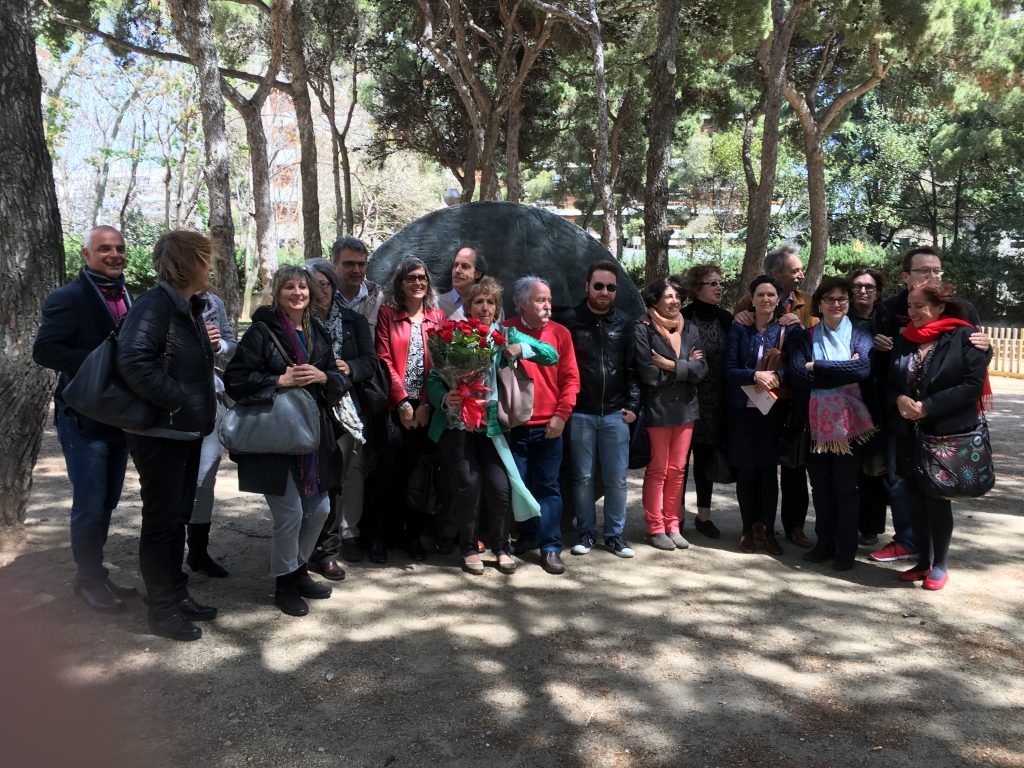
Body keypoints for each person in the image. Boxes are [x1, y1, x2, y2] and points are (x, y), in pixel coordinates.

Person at [223, 265, 346, 616]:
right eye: (289, 287)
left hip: (312, 436)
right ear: (277, 292)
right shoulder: (261, 332)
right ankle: (284, 585)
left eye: (303, 287)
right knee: (290, 513)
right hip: (274, 437)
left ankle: (297, 570)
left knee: (319, 510)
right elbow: (235, 380)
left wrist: (323, 376)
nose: (297, 293)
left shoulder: (317, 331)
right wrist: (279, 380)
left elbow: (339, 381)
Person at [116, 230, 217, 641]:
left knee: (176, 519)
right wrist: (177, 401)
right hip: (161, 435)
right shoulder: (154, 305)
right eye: (206, 258)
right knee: (161, 523)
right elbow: (133, 360)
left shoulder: (187, 306)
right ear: (190, 262)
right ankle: (160, 610)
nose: (211, 266)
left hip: (184, 432)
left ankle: (176, 594)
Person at [33, 226, 138, 613]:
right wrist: (99, 363)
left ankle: (94, 572)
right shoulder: (68, 297)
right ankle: (89, 578)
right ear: (86, 254)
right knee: (90, 503)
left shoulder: (129, 296)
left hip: (119, 415)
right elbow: (45, 350)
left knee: (108, 500)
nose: (114, 255)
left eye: (120, 248)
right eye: (105, 248)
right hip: (83, 417)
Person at [426, 278, 558, 574]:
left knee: (500, 487)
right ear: (468, 307)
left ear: (497, 308)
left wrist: (521, 349)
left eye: (490, 302)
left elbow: (551, 355)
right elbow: (434, 378)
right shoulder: (454, 334)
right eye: (478, 302)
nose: (484, 307)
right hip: (456, 423)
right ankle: (468, 548)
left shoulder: (506, 334)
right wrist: (444, 397)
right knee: (469, 484)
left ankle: (502, 547)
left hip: (492, 427)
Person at [870, 246, 990, 564]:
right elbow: (885, 369)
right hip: (901, 418)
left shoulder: (962, 314)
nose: (932, 275)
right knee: (901, 484)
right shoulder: (891, 311)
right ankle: (909, 544)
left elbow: (974, 368)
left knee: (936, 492)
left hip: (943, 423)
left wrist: (986, 346)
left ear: (940, 306)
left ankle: (937, 562)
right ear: (905, 276)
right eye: (924, 270)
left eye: (937, 270)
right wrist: (897, 398)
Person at [785, 277, 877, 571]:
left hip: (851, 427)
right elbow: (798, 376)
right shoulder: (804, 337)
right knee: (821, 487)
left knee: (846, 487)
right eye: (829, 299)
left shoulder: (861, 336)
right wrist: (842, 372)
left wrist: (819, 366)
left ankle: (846, 549)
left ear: (849, 303)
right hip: (813, 426)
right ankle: (824, 543)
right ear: (820, 304)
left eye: (842, 299)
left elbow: (862, 369)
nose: (836, 304)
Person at [556, 260, 641, 559]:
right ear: (587, 287)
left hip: (616, 413)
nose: (605, 292)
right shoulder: (569, 321)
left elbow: (632, 368)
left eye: (611, 287)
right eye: (599, 286)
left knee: (617, 478)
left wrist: (633, 405)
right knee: (582, 477)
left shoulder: (625, 323)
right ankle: (586, 532)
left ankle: (614, 535)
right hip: (581, 412)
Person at [735, 245, 817, 548]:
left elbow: (816, 342)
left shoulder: (808, 303)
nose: (801, 275)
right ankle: (757, 522)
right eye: (795, 270)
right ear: (776, 274)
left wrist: (802, 327)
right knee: (760, 464)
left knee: (794, 465)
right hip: (758, 397)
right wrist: (742, 317)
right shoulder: (748, 302)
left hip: (792, 396)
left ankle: (795, 525)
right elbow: (740, 340)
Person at [304, 260, 376, 579]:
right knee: (307, 479)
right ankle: (304, 548)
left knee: (336, 478)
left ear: (334, 287)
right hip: (305, 408)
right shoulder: (297, 322)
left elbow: (369, 361)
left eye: (325, 283)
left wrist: (351, 367)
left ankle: (329, 550)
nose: (320, 290)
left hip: (344, 409)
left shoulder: (353, 320)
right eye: (313, 284)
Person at [503, 276, 580, 575]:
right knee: (519, 486)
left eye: (549, 299)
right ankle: (528, 535)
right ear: (522, 303)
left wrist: (562, 415)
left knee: (548, 486)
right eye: (540, 300)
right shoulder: (505, 330)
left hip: (550, 425)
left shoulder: (560, 333)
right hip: (515, 425)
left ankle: (550, 547)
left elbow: (571, 379)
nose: (547, 305)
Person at [372, 256, 447, 562]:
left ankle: (413, 536)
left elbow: (441, 365)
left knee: (419, 473)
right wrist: (402, 402)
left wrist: (426, 403)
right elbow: (384, 359)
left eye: (422, 278)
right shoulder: (388, 315)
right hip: (395, 406)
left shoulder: (437, 318)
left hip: (426, 408)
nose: (418, 283)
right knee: (388, 471)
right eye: (411, 278)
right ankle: (379, 536)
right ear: (400, 284)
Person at [634, 277, 707, 550]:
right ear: (655, 300)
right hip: (659, 408)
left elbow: (702, 370)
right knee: (658, 469)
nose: (674, 301)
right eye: (668, 296)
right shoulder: (643, 329)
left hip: (687, 408)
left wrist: (670, 365)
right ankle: (655, 527)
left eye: (677, 296)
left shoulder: (691, 329)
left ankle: (672, 525)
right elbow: (649, 374)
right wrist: (685, 366)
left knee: (678, 470)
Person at [725, 275, 788, 556]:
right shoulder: (740, 329)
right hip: (742, 412)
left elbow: (795, 366)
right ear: (752, 299)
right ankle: (746, 529)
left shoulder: (787, 329)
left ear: (778, 299)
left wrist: (777, 376)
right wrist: (754, 375)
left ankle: (770, 531)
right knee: (747, 473)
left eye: (771, 294)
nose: (765, 299)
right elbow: (729, 369)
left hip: (772, 411)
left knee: (768, 473)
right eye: (760, 294)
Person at [680, 263, 734, 538]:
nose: (719, 287)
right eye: (712, 283)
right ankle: (675, 516)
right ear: (696, 288)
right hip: (685, 398)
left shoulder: (726, 318)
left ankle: (704, 516)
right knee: (679, 462)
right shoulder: (683, 317)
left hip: (715, 402)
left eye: (719, 283)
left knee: (705, 460)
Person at [186, 291, 237, 578]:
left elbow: (232, 346)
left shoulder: (214, 302)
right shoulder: (159, 301)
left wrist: (219, 346)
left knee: (204, 479)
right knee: (173, 484)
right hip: (173, 403)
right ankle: (167, 559)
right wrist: (197, 339)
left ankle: (198, 552)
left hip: (212, 400)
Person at [848, 268, 888, 546]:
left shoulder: (887, 318)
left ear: (878, 292)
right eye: (857, 286)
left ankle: (870, 527)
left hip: (878, 403)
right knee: (847, 469)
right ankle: (846, 523)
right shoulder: (840, 317)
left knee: (874, 469)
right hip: (845, 401)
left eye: (869, 287)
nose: (863, 291)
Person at [332, 236, 384, 336]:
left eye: (361, 264)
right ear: (334, 266)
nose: (356, 270)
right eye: (349, 264)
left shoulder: (378, 298)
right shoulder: (323, 297)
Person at [437, 243, 488, 320]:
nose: (457, 270)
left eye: (465, 266)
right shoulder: (437, 304)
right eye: (455, 265)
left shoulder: (490, 307)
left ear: (477, 274)